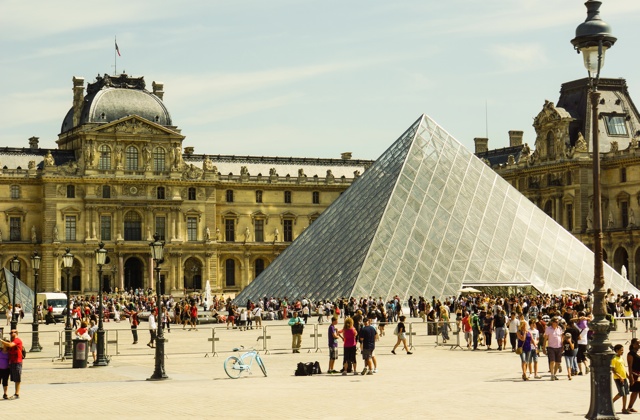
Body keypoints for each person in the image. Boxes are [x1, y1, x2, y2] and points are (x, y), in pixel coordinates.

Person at [0, 329, 23, 399]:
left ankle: (17, 394)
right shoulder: (12, 341)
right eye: (11, 332)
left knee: (17, 378)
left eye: (14, 332)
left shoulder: (17, 340)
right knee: (15, 378)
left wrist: (1, 340)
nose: (12, 333)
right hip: (12, 362)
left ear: (17, 333)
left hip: (17, 362)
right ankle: (15, 393)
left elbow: (10, 345)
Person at [613, 344, 631, 414]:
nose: (622, 352)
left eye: (623, 350)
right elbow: (613, 369)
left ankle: (624, 408)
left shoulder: (621, 358)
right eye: (621, 350)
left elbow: (623, 368)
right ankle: (610, 402)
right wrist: (620, 376)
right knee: (621, 393)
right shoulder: (614, 358)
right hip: (618, 378)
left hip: (624, 377)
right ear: (617, 350)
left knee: (625, 393)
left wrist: (628, 376)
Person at [626, 338, 640, 412]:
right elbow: (630, 366)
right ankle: (629, 407)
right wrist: (631, 377)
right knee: (635, 391)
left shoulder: (637, 353)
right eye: (637, 343)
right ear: (633, 345)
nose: (639, 345)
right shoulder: (630, 354)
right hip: (635, 375)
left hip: (639, 375)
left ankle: (630, 407)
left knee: (637, 391)